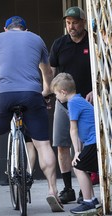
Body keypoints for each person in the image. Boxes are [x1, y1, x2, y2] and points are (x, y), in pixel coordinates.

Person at [0, 16, 64, 212]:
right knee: (42, 144)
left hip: (2, 95)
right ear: (25, 29)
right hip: (31, 94)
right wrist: (46, 91)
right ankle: (52, 190)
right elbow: (47, 72)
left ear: (6, 29)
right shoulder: (36, 39)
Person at [49, 6, 96, 204]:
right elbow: (51, 72)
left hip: (88, 102)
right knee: (62, 145)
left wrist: (97, 90)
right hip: (64, 103)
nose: (71, 26)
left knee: (87, 144)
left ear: (83, 22)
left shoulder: (93, 42)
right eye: (68, 23)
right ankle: (68, 188)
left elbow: (104, 68)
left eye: (75, 22)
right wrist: (49, 93)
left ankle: (85, 189)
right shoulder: (59, 44)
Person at [50, 73, 99, 214]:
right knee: (83, 167)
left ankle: (88, 202)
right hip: (92, 140)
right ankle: (93, 199)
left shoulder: (72, 103)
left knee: (78, 167)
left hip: (93, 141)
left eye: (56, 94)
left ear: (63, 92)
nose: (57, 98)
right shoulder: (79, 99)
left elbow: (73, 129)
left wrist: (77, 151)